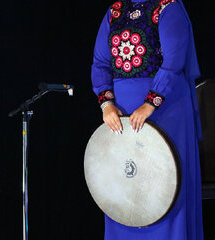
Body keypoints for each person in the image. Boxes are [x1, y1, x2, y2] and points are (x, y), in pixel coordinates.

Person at [91, 0, 203, 239]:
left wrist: (151, 102)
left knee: (165, 186)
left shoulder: (168, 7)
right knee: (125, 181)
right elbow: (100, 62)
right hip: (122, 111)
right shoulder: (115, 10)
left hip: (166, 107)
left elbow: (173, 62)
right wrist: (106, 103)